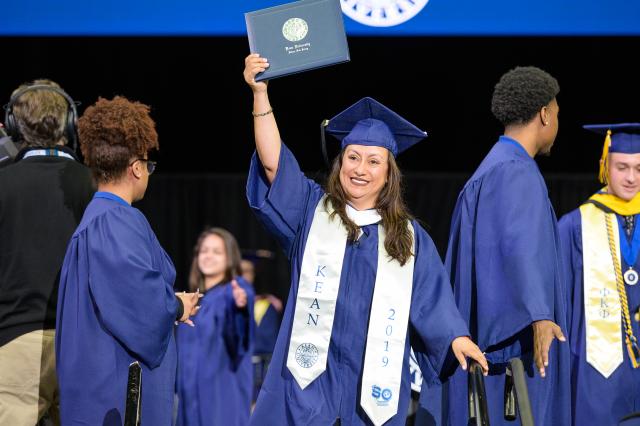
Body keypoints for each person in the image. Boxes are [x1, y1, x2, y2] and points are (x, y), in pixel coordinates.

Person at [243, 53, 488, 426]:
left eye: (374, 161)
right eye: (353, 158)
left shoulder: (408, 238)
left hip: (371, 387)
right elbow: (274, 163)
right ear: (340, 164)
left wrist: (457, 338)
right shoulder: (312, 212)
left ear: (389, 174)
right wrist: (261, 95)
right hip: (307, 386)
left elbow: (432, 300)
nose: (360, 169)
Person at [435, 66, 571, 425]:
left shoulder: (492, 166)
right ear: (544, 114)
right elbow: (518, 248)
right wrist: (539, 313)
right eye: (557, 113)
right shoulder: (514, 170)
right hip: (512, 362)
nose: (557, 122)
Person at [55, 96, 200, 426]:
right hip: (117, 391)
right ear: (136, 167)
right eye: (148, 165)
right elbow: (141, 305)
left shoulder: (95, 219)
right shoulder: (115, 220)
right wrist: (177, 307)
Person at [0, 80, 94, 426]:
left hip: (12, 345)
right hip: (81, 348)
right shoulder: (95, 183)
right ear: (70, 124)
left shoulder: (2, 182)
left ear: (12, 126)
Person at [558, 123, 640, 426]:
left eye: (639, 168)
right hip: (599, 369)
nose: (631, 177)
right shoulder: (575, 225)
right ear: (605, 165)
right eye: (622, 167)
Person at [176, 227, 255, 426]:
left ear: (230, 257)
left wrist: (240, 306)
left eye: (217, 252)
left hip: (222, 400)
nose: (208, 256)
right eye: (204, 251)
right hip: (189, 401)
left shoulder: (234, 291)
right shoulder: (192, 302)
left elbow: (240, 335)